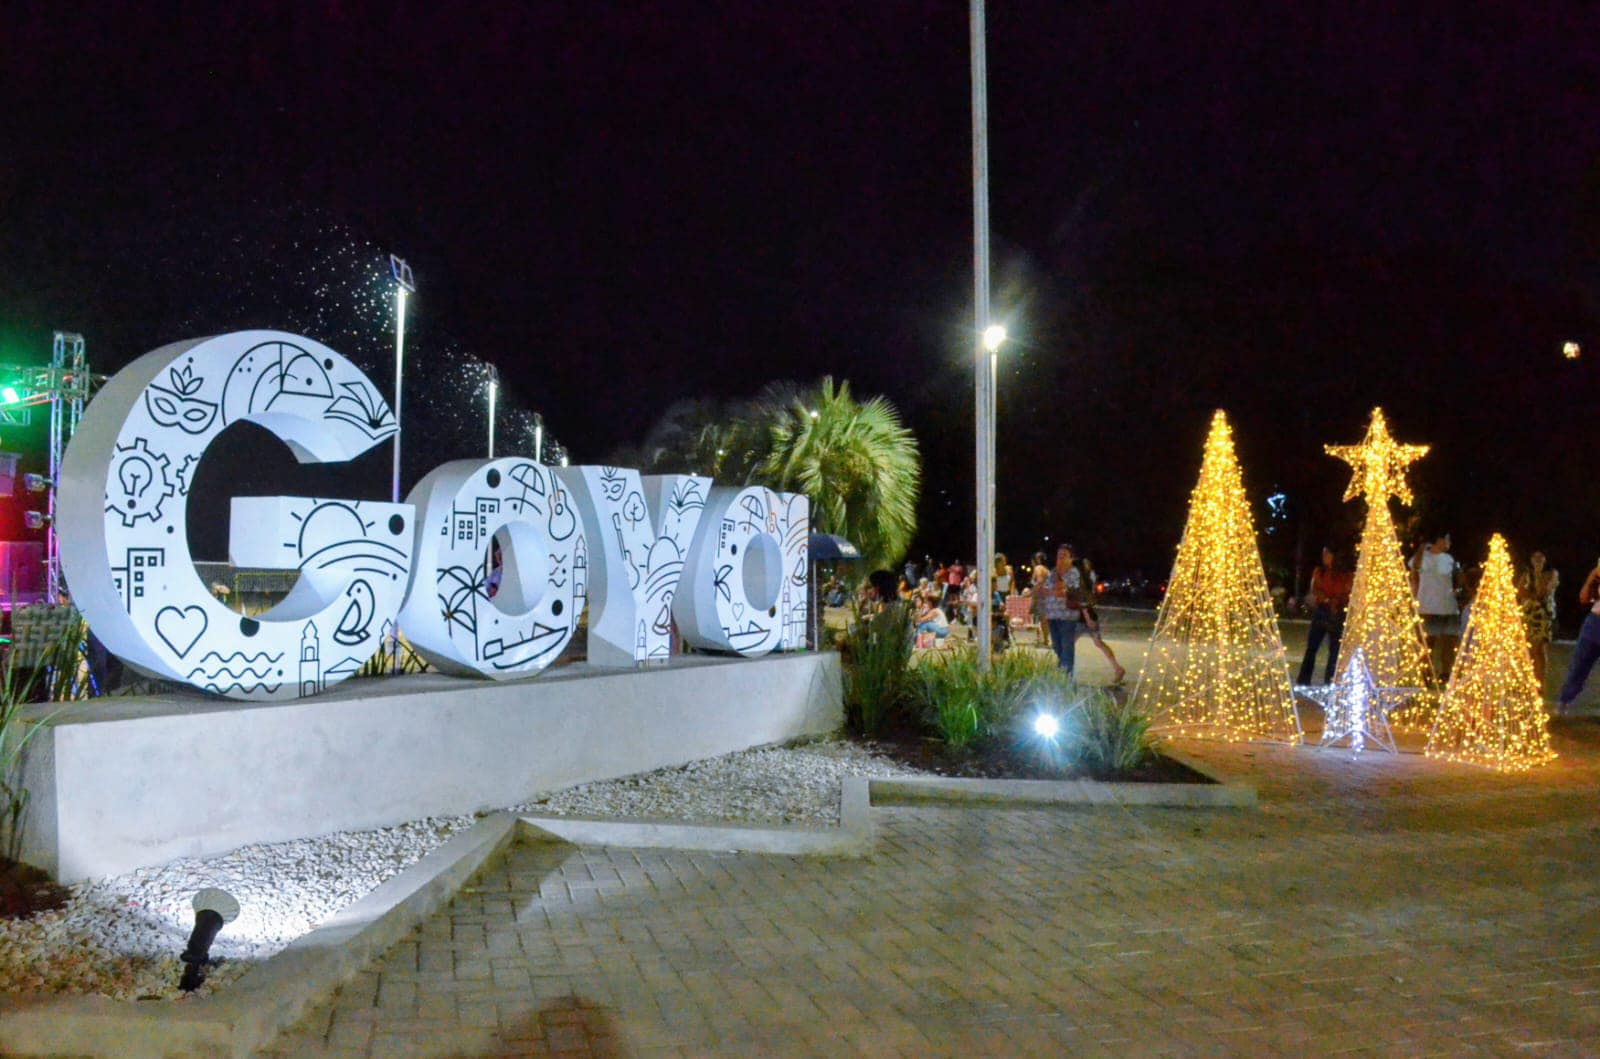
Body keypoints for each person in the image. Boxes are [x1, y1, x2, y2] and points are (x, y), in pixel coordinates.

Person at [1296, 547, 1352, 685]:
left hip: (1338, 612)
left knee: (1334, 650)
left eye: (1327, 554)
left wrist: (1336, 601)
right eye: (1323, 554)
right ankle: (1304, 679)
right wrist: (1327, 600)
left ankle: (1329, 681)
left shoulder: (1346, 574)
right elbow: (1315, 589)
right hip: (1323, 610)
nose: (1324, 557)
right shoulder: (1320, 572)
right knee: (1312, 646)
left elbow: (1347, 591)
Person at [1410, 532, 1461, 682]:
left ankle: (1445, 673)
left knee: (1447, 643)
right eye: (1446, 540)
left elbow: (1456, 579)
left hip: (1447, 607)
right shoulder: (1421, 558)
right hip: (1428, 607)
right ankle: (1425, 674)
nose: (1448, 543)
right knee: (1427, 643)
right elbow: (1415, 573)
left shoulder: (1449, 559)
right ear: (1438, 540)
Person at [1557, 558, 1600, 714]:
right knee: (1580, 663)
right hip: (1595, 621)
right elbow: (1584, 598)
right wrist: (1592, 576)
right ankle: (1564, 701)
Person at [1076, 556, 1125, 683]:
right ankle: (1117, 668)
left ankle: (1063, 671)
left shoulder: (1082, 582)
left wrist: (1087, 619)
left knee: (1068, 644)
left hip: (1084, 619)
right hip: (1087, 617)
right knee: (1098, 643)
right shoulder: (1087, 581)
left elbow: (1083, 602)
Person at [1037, 544, 1083, 673]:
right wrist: (1053, 590)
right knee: (1057, 646)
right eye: (1059, 556)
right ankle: (1062, 670)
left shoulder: (1074, 572)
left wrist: (1055, 590)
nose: (1060, 559)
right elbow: (1044, 589)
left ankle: (1066, 677)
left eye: (1064, 556)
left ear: (1071, 558)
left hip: (1067, 616)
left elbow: (1064, 590)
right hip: (1052, 614)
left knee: (1066, 646)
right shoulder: (1052, 572)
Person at [1517, 550, 1559, 689]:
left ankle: (1540, 682)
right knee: (1529, 649)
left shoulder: (1552, 574)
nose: (1537, 560)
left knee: (1539, 649)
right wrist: (1532, 594)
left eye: (1540, 557)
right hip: (1529, 615)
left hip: (1543, 616)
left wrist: (1538, 575)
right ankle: (1529, 681)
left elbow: (1543, 591)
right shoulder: (1526, 575)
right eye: (1535, 557)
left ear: (1545, 559)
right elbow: (1520, 592)